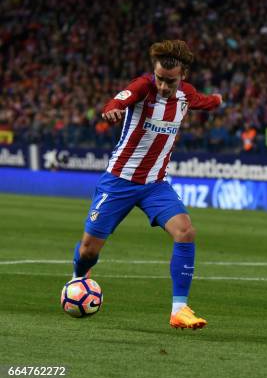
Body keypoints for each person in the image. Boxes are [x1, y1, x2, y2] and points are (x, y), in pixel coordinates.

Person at [70, 40, 222, 330]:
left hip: (156, 184)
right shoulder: (142, 86)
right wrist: (112, 110)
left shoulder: (186, 95)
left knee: (185, 231)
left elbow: (205, 101)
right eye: (160, 79)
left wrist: (217, 100)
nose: (164, 86)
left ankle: (179, 309)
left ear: (183, 76)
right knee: (89, 250)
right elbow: (116, 102)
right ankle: (78, 277)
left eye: (170, 81)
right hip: (119, 181)